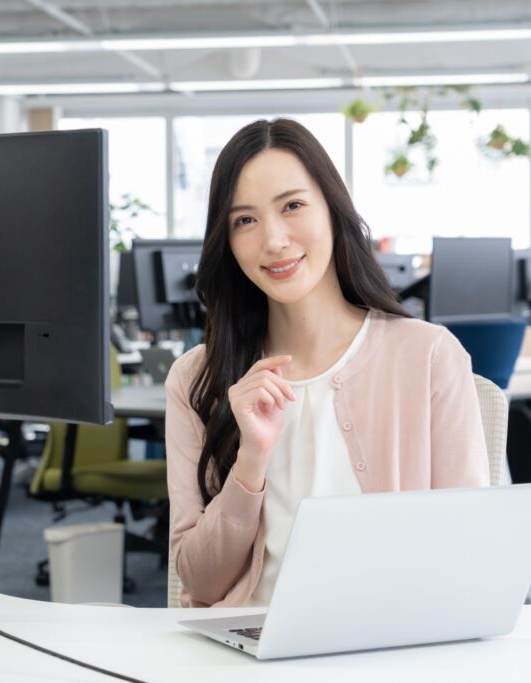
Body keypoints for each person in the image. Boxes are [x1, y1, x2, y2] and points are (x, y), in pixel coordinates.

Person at [165, 118, 489, 608]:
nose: (273, 240)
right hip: (246, 656)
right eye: (245, 220)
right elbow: (199, 584)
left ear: (333, 210)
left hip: (389, 647)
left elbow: (469, 552)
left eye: (292, 206)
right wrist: (251, 459)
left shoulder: (428, 356)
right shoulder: (197, 378)